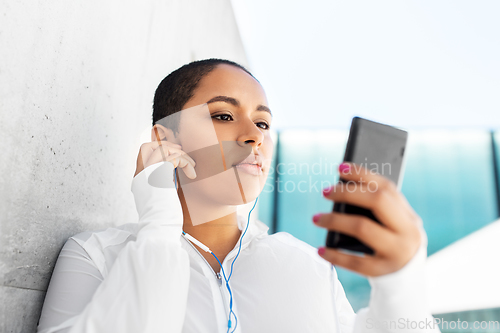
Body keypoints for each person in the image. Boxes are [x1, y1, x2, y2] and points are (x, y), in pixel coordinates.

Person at [37, 59, 440, 333]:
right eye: (224, 115)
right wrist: (158, 229)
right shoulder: (96, 256)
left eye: (263, 123)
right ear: (165, 138)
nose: (254, 136)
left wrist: (401, 282)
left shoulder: (309, 267)